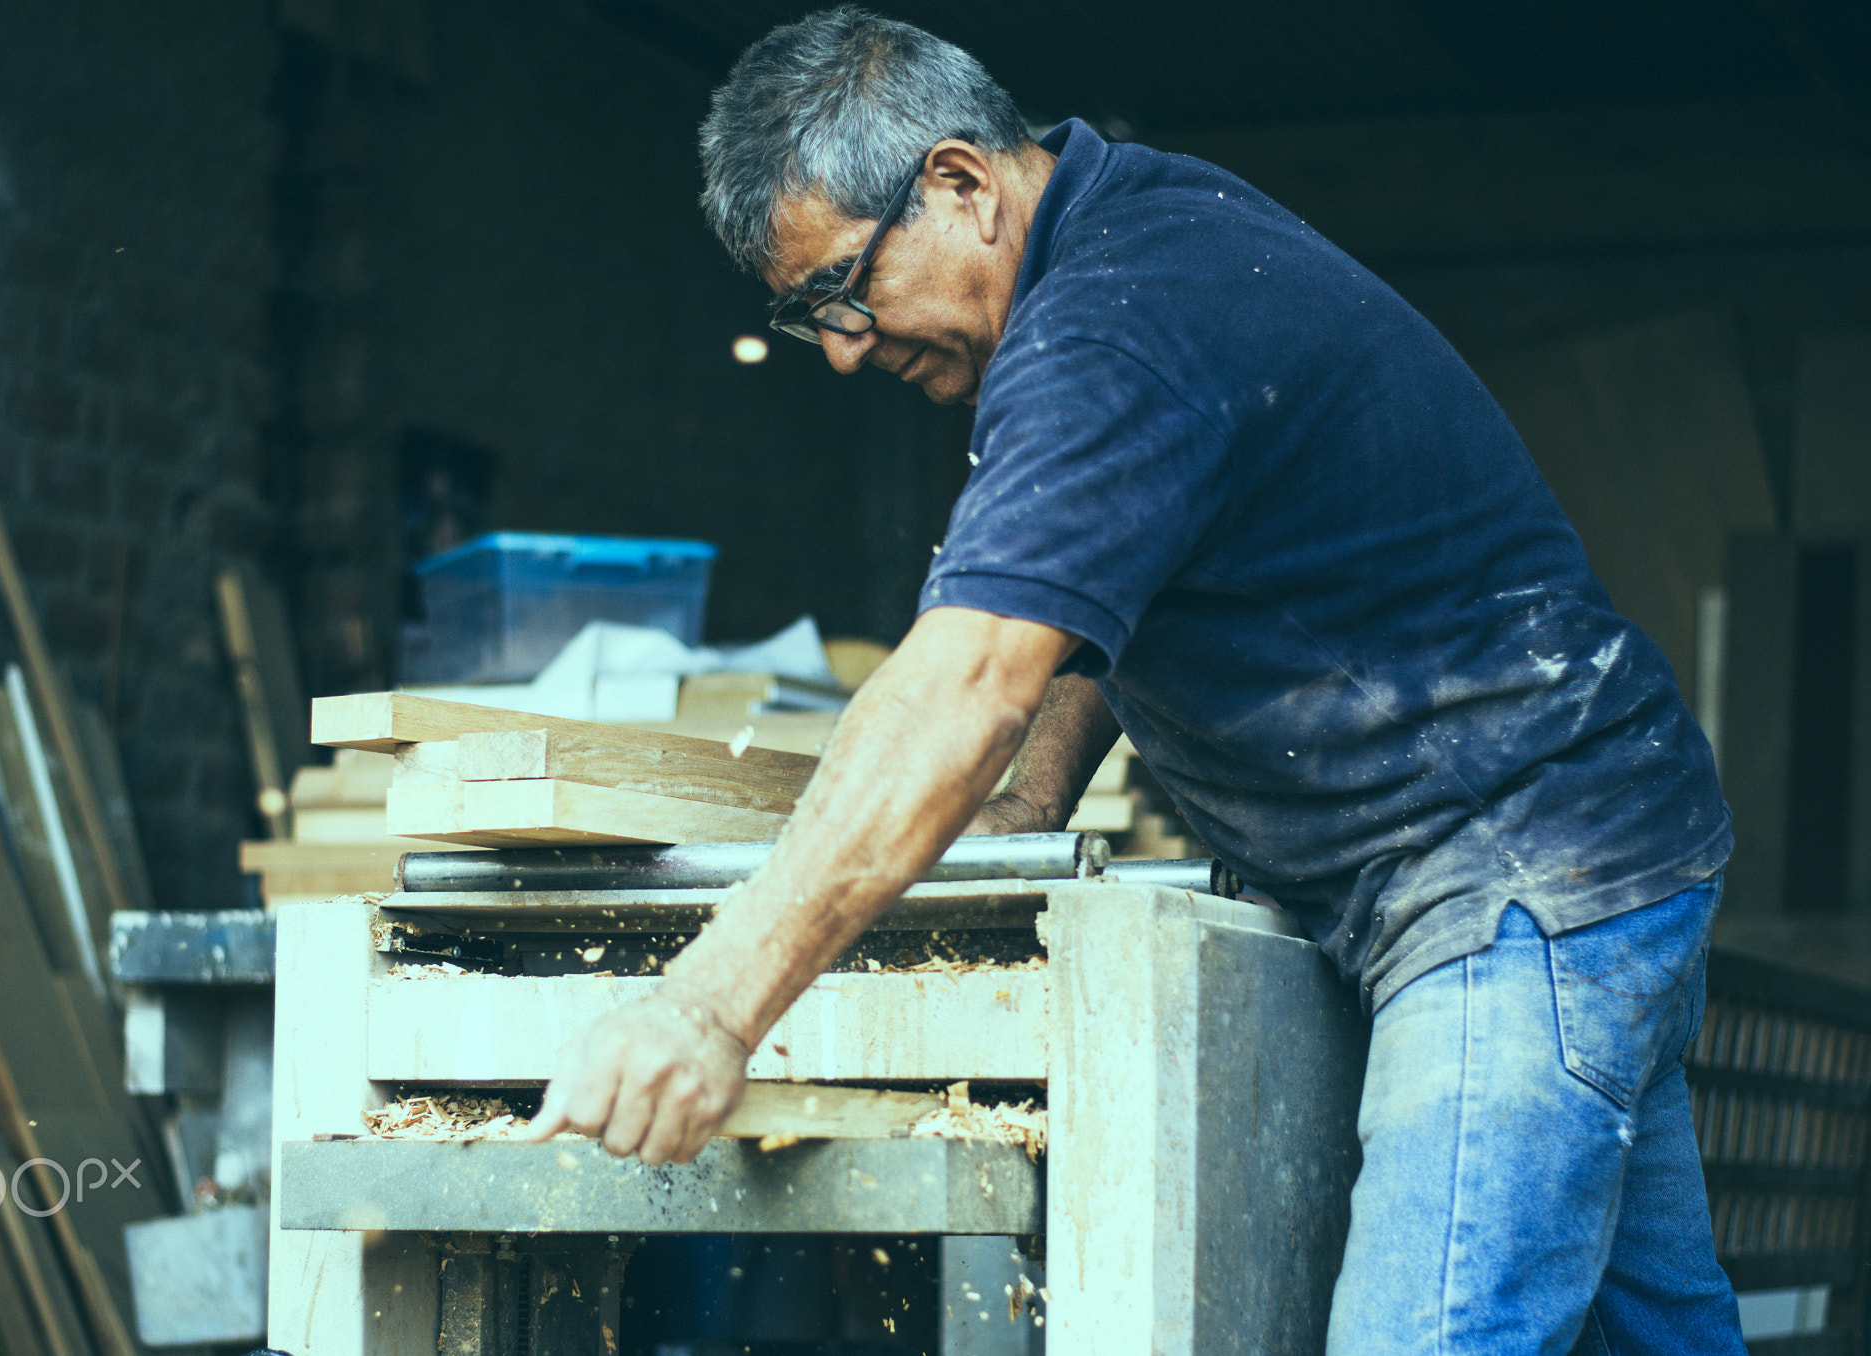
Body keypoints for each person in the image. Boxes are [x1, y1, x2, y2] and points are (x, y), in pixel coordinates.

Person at [527, 8, 1744, 1351]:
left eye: (842, 289)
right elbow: (1101, 605)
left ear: (958, 184)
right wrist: (1034, 795)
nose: (845, 347)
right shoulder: (1131, 235)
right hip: (1592, 849)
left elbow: (969, 678)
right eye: (807, 312)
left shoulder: (1110, 329)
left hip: (1510, 876)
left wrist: (709, 1009)